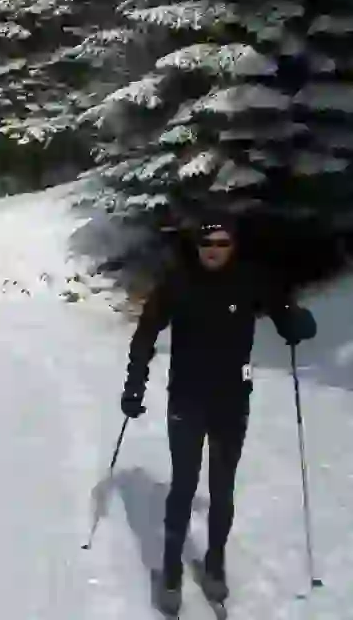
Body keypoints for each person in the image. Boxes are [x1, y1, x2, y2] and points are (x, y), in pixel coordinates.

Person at [120, 216, 317, 614]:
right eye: (207, 242)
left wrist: (299, 323)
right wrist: (134, 383)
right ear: (197, 246)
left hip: (231, 402)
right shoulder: (178, 282)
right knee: (183, 485)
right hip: (187, 401)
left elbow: (286, 318)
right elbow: (146, 333)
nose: (214, 249)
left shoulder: (250, 280)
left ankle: (215, 563)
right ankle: (172, 568)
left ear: (233, 246)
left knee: (223, 487)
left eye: (222, 242)